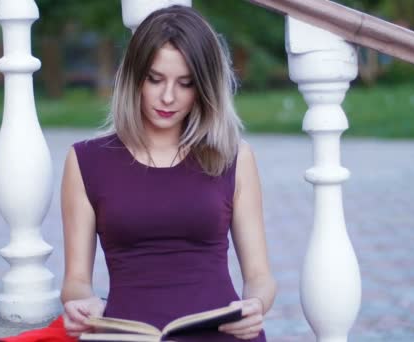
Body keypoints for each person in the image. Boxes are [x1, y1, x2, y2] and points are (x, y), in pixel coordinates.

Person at [60, 5, 276, 341]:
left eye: (186, 83)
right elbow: (75, 281)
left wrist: (255, 305)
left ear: (203, 87)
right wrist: (80, 303)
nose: (168, 97)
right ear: (133, 77)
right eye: (155, 79)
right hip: (131, 336)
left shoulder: (234, 158)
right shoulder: (86, 161)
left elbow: (260, 275)